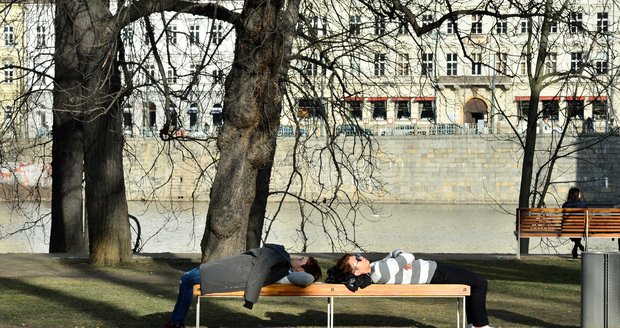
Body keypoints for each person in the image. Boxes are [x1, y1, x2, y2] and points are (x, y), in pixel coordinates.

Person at [164, 244, 322, 328]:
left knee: (186, 279)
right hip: (232, 267)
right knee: (185, 279)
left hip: (232, 272)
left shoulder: (284, 270)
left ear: (300, 269)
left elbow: (306, 278)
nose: (297, 257)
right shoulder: (282, 264)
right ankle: (176, 322)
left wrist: (250, 298)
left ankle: (176, 322)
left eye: (301, 259)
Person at [328, 250, 491, 328]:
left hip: (432, 270)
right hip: (433, 272)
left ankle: (474, 324)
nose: (360, 256)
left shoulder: (373, 269)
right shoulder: (380, 272)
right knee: (480, 282)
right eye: (357, 259)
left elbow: (394, 253)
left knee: (473, 283)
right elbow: (408, 256)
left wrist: (398, 258)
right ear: (356, 271)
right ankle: (480, 325)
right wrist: (401, 258)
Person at [562, 187, 587, 258]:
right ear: (578, 195)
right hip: (581, 228)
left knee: (572, 228)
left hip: (567, 228)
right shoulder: (583, 204)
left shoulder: (565, 205)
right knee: (580, 228)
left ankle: (577, 246)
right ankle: (577, 245)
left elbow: (563, 218)